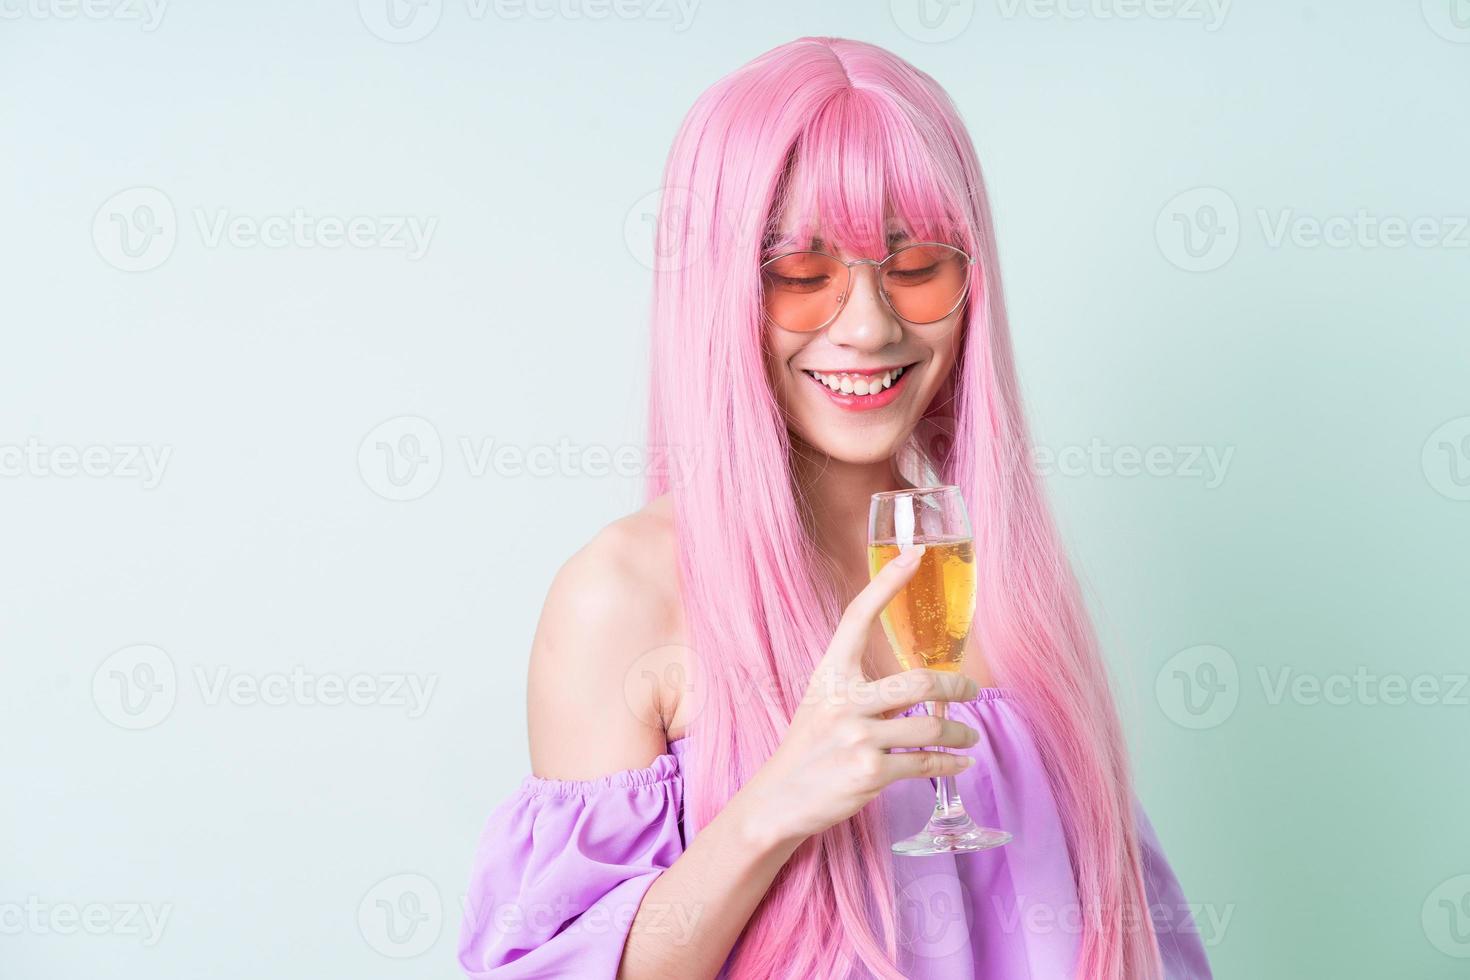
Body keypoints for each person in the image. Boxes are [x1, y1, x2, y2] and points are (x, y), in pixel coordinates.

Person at [458, 35, 1213, 980]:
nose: (869, 326)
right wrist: (773, 805)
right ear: (720, 289)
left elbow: (1124, 933)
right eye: (802, 273)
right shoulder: (622, 595)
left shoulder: (992, 572)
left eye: (917, 267)